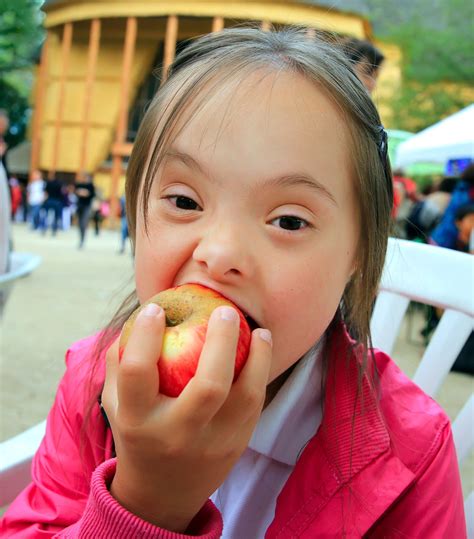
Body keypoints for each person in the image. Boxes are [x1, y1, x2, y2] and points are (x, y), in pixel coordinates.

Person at [1, 28, 466, 538]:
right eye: (183, 201)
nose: (218, 255)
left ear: (359, 252)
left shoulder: (409, 451)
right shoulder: (94, 385)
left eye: (289, 221)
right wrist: (145, 503)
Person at [430, 163, 474, 249]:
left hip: (440, 237)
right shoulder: (467, 194)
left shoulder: (461, 190)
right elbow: (459, 220)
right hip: (447, 241)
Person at [74, 172, 96, 248]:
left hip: (87, 206)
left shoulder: (91, 186)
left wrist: (86, 193)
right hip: (80, 206)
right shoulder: (79, 185)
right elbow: (75, 191)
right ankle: (80, 238)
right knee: (80, 223)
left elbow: (92, 195)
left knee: (84, 222)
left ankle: (82, 239)